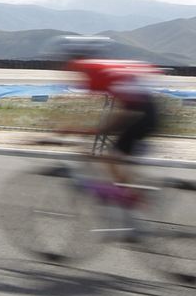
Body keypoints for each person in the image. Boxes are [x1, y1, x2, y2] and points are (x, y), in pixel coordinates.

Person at [56, 37, 165, 199]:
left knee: (111, 156)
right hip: (144, 111)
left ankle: (129, 195)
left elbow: (88, 107)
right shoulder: (99, 66)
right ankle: (125, 189)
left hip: (141, 114)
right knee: (113, 151)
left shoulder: (91, 70)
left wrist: (75, 130)